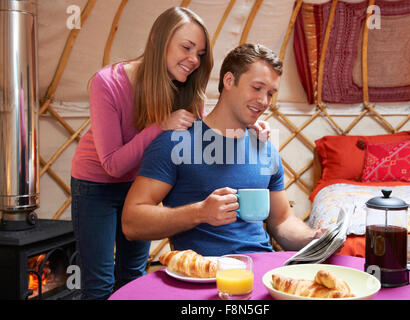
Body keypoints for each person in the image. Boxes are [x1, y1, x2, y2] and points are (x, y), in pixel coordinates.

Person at [71, 7, 270, 300]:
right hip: (96, 185)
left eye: (200, 54)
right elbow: (112, 165)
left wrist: (249, 125)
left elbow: (207, 130)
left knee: (132, 276)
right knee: (99, 282)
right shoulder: (108, 83)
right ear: (158, 41)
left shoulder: (185, 89)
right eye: (186, 47)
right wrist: (159, 126)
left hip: (142, 185)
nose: (193, 60)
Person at [122, 43, 325, 257]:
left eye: (271, 93)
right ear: (229, 81)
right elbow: (132, 223)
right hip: (206, 276)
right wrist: (199, 212)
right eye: (256, 88)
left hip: (264, 271)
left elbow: (282, 220)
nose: (264, 101)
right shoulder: (176, 143)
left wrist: (313, 239)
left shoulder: (265, 148)